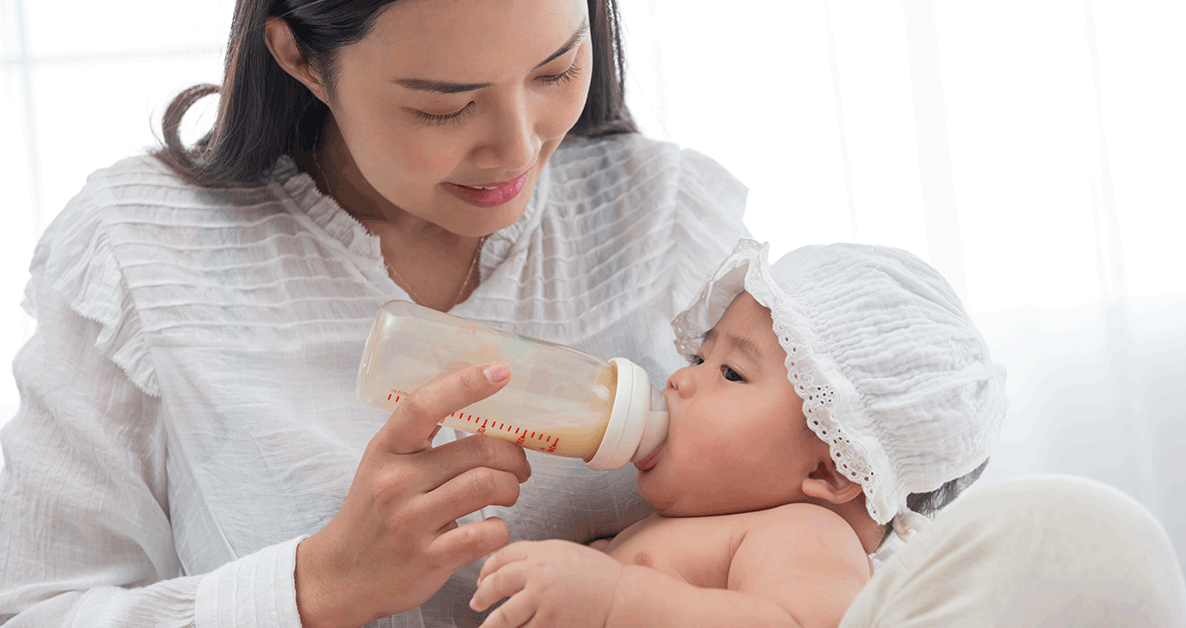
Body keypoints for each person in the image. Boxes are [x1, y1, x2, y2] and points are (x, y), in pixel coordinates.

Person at [0, 1, 749, 627]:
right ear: (298, 56)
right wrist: (314, 587)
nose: (518, 147)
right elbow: (35, 608)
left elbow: (845, 506)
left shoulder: (668, 219)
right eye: (442, 107)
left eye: (556, 69)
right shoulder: (145, 255)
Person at [469, 239, 1186, 628]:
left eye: (731, 374)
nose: (680, 379)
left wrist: (613, 602)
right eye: (700, 354)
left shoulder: (800, 533)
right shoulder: (696, 528)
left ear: (830, 473)